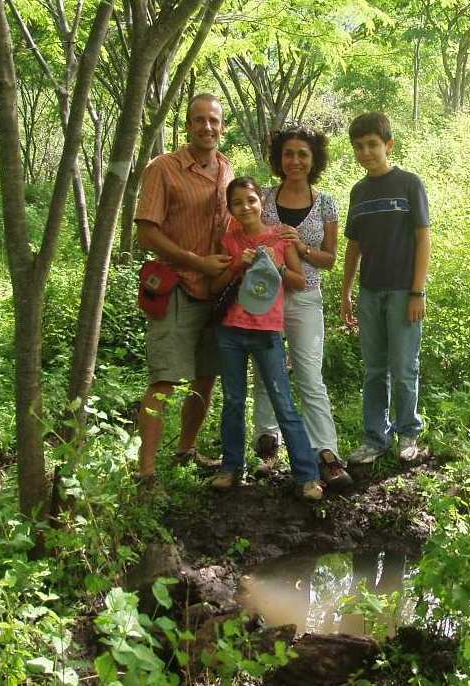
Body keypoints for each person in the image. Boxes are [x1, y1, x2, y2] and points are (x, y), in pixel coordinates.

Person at [135, 93, 234, 485]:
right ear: (187, 125)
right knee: (164, 378)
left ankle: (186, 450)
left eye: (213, 120)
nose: (206, 127)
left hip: (216, 293)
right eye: (199, 120)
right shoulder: (163, 168)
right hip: (177, 285)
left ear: (222, 125)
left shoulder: (226, 169)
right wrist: (196, 261)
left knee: (206, 375)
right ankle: (146, 471)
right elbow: (146, 232)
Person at [209, 176, 323, 501]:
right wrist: (234, 267)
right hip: (230, 331)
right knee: (232, 401)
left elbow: (300, 282)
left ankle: (307, 476)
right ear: (230, 208)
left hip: (267, 333)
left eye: (251, 200)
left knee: (283, 403)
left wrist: (278, 267)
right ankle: (231, 468)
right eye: (237, 203)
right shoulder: (229, 240)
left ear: (261, 201)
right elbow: (215, 288)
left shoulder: (281, 237)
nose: (245, 207)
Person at [252, 127, 352, 490]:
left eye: (303, 154)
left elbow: (328, 259)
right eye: (289, 153)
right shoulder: (262, 199)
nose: (295, 161)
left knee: (310, 373)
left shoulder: (325, 203)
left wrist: (302, 247)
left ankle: (325, 450)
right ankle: (267, 443)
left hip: (306, 297)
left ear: (314, 160)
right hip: (265, 297)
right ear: (279, 158)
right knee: (266, 371)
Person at [341, 112, 431, 464]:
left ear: (388, 145)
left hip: (402, 292)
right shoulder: (358, 192)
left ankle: (408, 433)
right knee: (374, 369)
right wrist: (347, 291)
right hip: (369, 292)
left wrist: (417, 292)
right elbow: (353, 246)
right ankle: (374, 439)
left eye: (372, 145)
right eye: (359, 146)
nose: (366, 152)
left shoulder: (409, 183)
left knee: (404, 366)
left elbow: (424, 238)